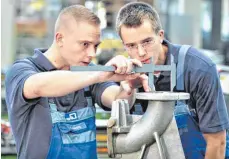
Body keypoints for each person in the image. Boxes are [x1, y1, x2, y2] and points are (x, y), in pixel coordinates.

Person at [5, 5, 150, 159]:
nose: (92, 54)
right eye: (85, 44)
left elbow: (116, 100)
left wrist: (129, 87)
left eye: (95, 46)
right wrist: (99, 74)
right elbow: (37, 86)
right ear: (60, 39)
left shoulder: (89, 71)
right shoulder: (22, 70)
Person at [116, 2, 229, 159]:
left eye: (147, 41)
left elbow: (217, 141)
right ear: (124, 46)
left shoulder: (197, 68)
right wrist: (128, 88)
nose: (141, 52)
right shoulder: (124, 73)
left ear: (160, 36)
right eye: (131, 46)